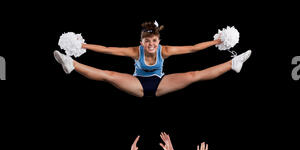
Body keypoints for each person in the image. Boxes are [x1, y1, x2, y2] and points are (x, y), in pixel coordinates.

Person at [54, 21, 252, 97]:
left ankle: (233, 64)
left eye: (154, 41)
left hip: (160, 83)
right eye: (147, 41)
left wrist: (216, 41)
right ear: (141, 42)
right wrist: (82, 46)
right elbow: (107, 50)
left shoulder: (164, 50)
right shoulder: (135, 51)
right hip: (137, 85)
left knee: (194, 75)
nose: (151, 45)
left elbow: (192, 49)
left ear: (159, 41)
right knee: (110, 75)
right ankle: (72, 64)